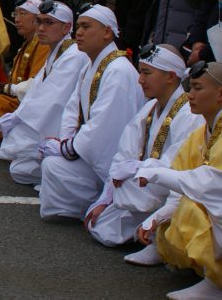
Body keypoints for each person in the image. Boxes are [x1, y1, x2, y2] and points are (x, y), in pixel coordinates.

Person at [85, 45, 200, 248]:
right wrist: (106, 197)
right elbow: (124, 156)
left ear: (171, 76)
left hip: (165, 191)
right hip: (140, 187)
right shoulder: (149, 108)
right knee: (101, 227)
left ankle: (158, 239)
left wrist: (138, 169)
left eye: (147, 73)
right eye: (140, 72)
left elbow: (178, 165)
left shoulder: (189, 115)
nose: (140, 80)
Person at [38, 5, 145, 221]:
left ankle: (101, 200)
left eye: (86, 27)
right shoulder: (92, 65)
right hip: (90, 151)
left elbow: (105, 128)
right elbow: (72, 108)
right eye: (78, 26)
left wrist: (67, 148)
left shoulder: (119, 71)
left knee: (53, 166)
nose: (79, 32)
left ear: (107, 32)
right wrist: (66, 141)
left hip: (110, 161)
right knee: (51, 164)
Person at [131, 62, 222, 299]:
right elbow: (183, 178)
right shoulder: (201, 133)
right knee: (175, 208)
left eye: (198, 88)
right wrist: (157, 218)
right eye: (190, 87)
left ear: (220, 93)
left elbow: (210, 183)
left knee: (190, 208)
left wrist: (157, 174)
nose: (190, 95)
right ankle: (209, 275)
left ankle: (217, 283)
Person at [0, 0, 88, 185]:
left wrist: (20, 119)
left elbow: (53, 101)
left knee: (22, 168)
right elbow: (38, 87)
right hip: (47, 118)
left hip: (63, 126)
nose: (41, 28)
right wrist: (16, 116)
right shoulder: (58, 50)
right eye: (39, 21)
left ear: (66, 27)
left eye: (49, 23)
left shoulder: (74, 55)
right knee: (19, 170)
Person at [0, 0, 50, 146]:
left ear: (37, 19)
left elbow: (37, 83)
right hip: (20, 96)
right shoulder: (28, 43)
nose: (17, 19)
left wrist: (5, 89)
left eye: (23, 14)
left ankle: (17, 143)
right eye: (16, 14)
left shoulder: (43, 45)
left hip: (33, 102)